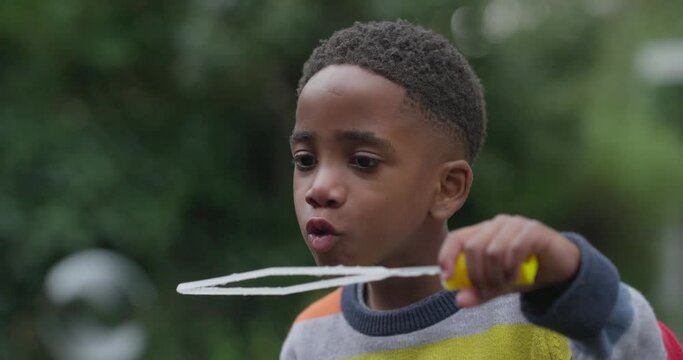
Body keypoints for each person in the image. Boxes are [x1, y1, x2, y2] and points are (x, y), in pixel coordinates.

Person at [280, 20, 682, 359]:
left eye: (363, 161)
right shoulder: (310, 339)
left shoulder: (538, 315)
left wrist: (576, 283)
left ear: (447, 189)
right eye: (305, 161)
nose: (320, 188)